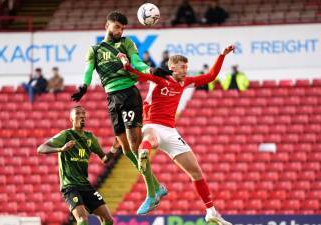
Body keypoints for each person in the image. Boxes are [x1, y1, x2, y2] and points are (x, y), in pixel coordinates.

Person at [118, 45, 235, 225]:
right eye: (182, 67)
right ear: (172, 66)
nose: (185, 71)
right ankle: (143, 153)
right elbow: (140, 75)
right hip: (152, 125)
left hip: (171, 132)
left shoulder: (184, 82)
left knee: (196, 172)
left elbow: (210, 77)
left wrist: (222, 55)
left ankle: (211, 212)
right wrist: (126, 65)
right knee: (151, 139)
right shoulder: (158, 79)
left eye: (186, 67)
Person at [71, 11, 167, 215]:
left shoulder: (127, 43)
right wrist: (84, 86)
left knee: (135, 146)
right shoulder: (95, 50)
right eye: (117, 27)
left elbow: (137, 61)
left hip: (129, 94)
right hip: (112, 98)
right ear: (107, 25)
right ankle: (157, 186)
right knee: (126, 150)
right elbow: (89, 70)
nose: (120, 31)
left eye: (122, 28)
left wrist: (150, 70)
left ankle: (152, 193)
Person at [37, 106, 114, 225]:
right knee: (82, 220)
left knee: (108, 220)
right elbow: (41, 148)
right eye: (78, 113)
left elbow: (104, 159)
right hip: (70, 186)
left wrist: (114, 149)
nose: (82, 116)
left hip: (85, 185)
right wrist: (61, 149)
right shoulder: (66, 135)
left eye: (84, 114)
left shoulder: (90, 138)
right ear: (71, 118)